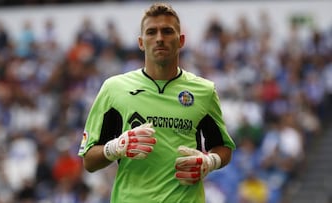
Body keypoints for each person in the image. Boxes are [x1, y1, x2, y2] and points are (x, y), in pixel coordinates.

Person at [78, 3, 236, 203]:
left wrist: (209, 161)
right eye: (151, 32)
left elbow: (223, 147)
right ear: (141, 42)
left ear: (181, 40)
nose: (160, 38)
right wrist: (115, 147)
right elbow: (89, 161)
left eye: (167, 31)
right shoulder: (114, 89)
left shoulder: (204, 91)